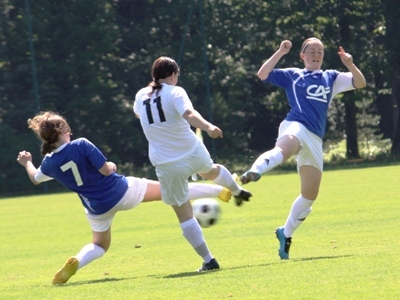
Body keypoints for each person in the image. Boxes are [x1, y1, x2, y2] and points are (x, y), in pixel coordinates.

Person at [16, 111, 234, 285]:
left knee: (100, 245)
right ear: (63, 129)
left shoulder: (49, 161)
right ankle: (219, 191)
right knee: (170, 191)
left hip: (96, 208)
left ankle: (78, 261)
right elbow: (106, 171)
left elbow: (35, 178)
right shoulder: (81, 144)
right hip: (122, 191)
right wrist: (111, 165)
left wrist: (27, 162)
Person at [240, 38, 366, 259]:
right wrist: (280, 51)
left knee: (309, 196)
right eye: (311, 51)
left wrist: (350, 64)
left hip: (315, 138)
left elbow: (361, 83)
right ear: (302, 56)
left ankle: (285, 233)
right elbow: (262, 74)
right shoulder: (293, 75)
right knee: (285, 148)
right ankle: (256, 170)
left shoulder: (331, 78)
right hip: (295, 125)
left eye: (320, 51)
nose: (316, 54)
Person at [133, 56, 252, 272]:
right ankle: (236, 189)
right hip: (191, 150)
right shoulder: (176, 91)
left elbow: (138, 112)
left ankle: (209, 260)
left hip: (166, 162)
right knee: (212, 170)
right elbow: (189, 114)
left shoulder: (141, 95)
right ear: (173, 75)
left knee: (183, 212)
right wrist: (208, 127)